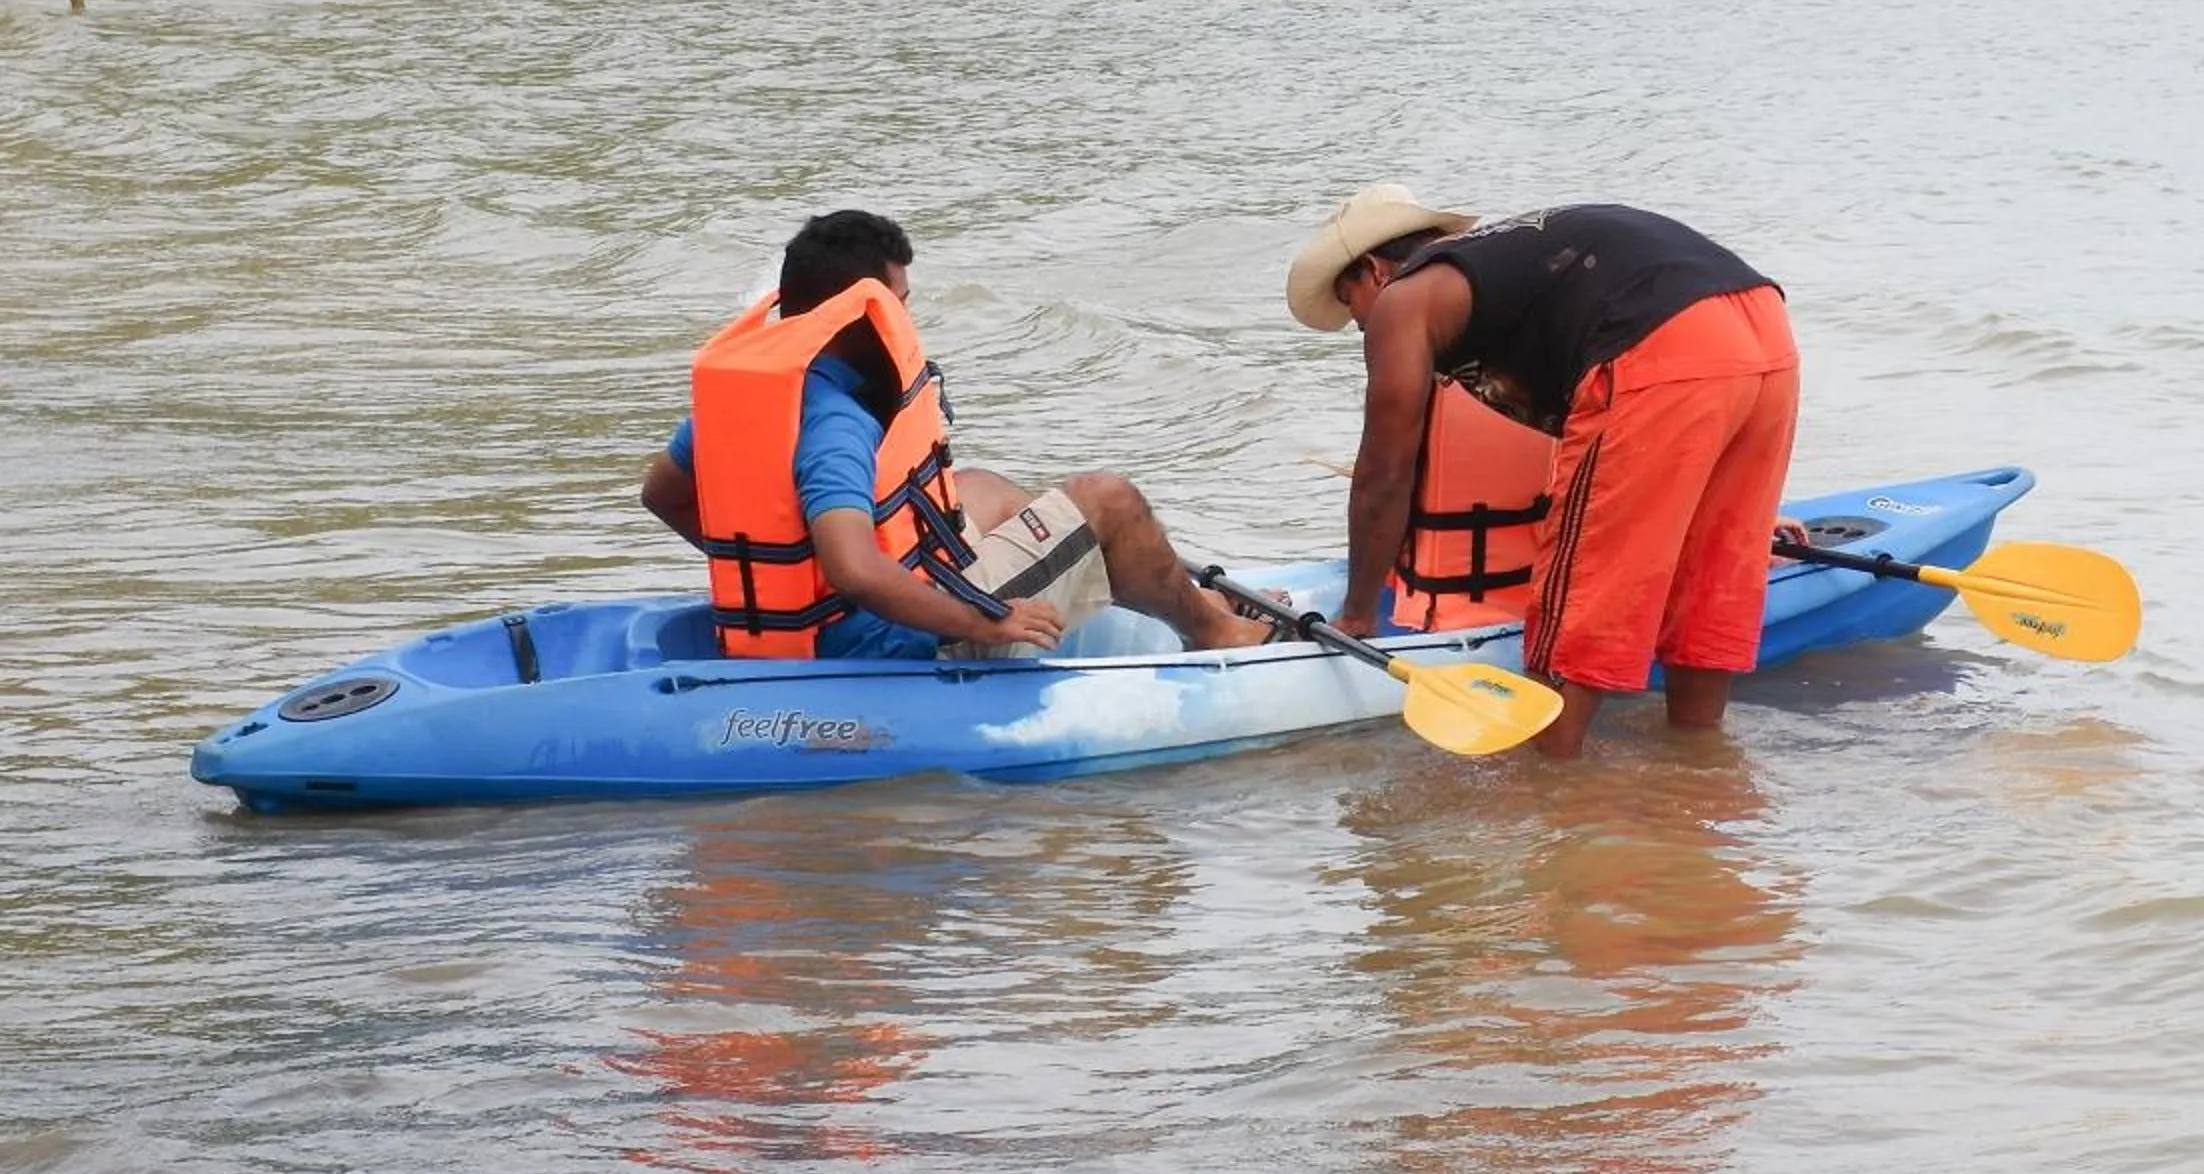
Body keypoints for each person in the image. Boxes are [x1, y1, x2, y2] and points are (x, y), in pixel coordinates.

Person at [1286, 188, 1801, 756]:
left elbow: (1385, 471)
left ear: (1374, 270)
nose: (1362, 326)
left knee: (1584, 587)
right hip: (1764, 326)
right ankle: (1700, 758)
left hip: (1658, 347)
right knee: (1714, 570)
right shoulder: (1508, 262)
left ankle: (1551, 793)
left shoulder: (1404, 299)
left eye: (1349, 301)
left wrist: (1357, 613)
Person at [642, 210, 1270, 660]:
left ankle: (1182, 599)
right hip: (887, 641)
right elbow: (855, 569)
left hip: (831, 620)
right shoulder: (836, 423)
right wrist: (985, 620)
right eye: (899, 307)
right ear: (856, 316)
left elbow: (663, 494)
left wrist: (781, 573)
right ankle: (1214, 633)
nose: (907, 326)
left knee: (981, 491)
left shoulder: (758, 395)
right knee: (1107, 498)